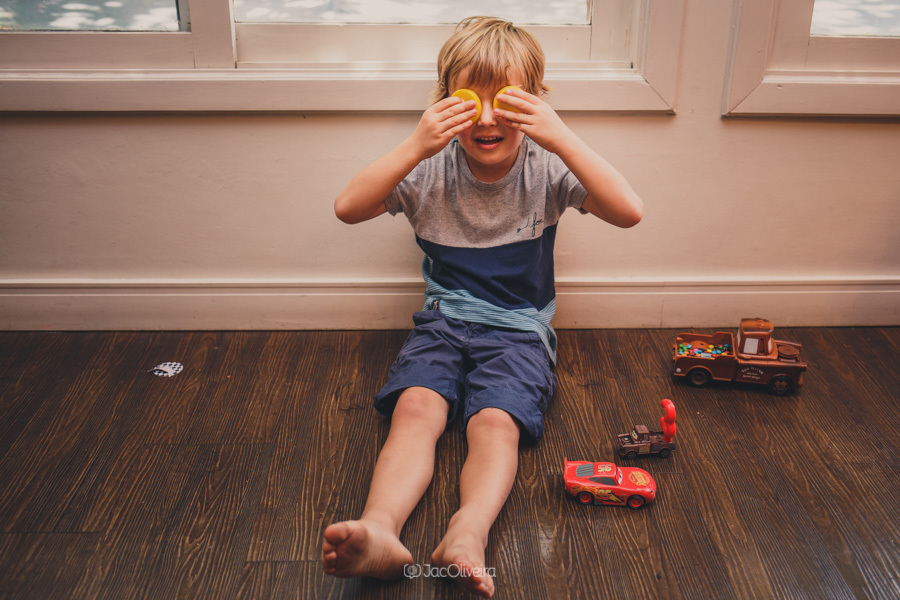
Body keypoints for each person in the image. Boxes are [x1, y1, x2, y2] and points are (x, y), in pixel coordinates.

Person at [322, 16, 643, 598]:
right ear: (445, 103)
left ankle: (467, 534)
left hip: (519, 332)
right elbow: (347, 207)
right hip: (443, 321)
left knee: (495, 424)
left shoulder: (545, 166)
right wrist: (416, 143)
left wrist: (562, 136)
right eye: (472, 101)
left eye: (509, 102)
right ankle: (378, 529)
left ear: (535, 106)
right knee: (415, 410)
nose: (489, 118)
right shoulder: (429, 166)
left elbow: (629, 211)